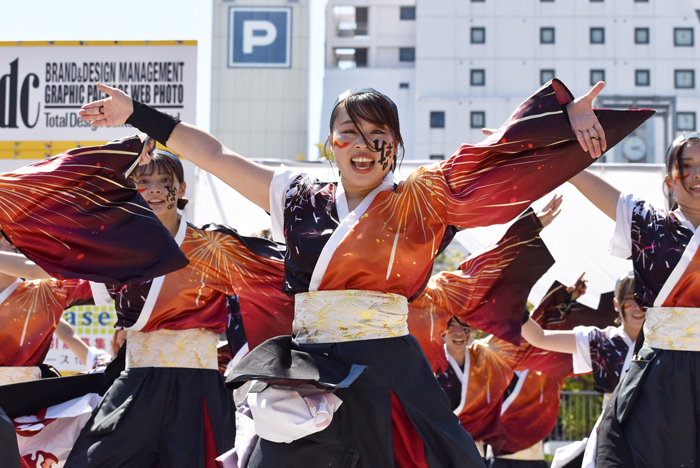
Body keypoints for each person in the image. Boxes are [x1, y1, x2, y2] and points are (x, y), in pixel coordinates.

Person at [79, 78, 652, 468]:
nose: (362, 144)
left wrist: (561, 123)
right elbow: (218, 155)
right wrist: (138, 116)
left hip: (388, 368)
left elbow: (495, 150)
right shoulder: (296, 196)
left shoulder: (423, 198)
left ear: (394, 144)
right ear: (331, 142)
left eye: (377, 135)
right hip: (309, 368)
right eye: (348, 132)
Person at [64, 147, 293, 468]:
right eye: (144, 180)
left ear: (182, 188)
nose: (155, 188)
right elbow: (52, 272)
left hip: (197, 387)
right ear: (132, 189)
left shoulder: (214, 247)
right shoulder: (115, 250)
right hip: (137, 381)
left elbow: (280, 272)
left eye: (164, 180)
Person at [562, 133, 700, 468]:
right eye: (686, 166)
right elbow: (584, 178)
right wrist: (546, 142)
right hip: (659, 371)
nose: (696, 174)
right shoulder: (649, 223)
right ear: (669, 180)